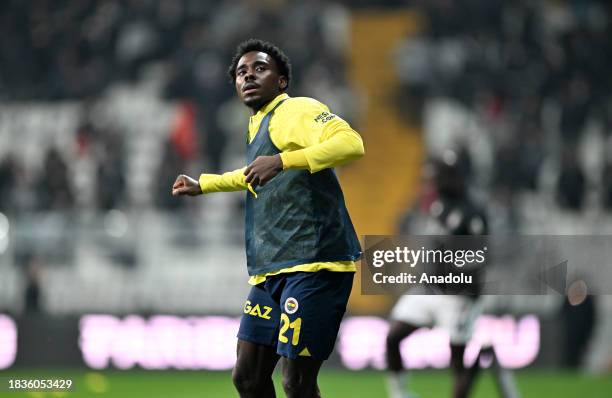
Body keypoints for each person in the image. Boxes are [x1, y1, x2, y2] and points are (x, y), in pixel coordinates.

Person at [171, 39, 364, 398]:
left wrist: (282, 161)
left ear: (281, 81)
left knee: (297, 383)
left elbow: (351, 144)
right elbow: (252, 174)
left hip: (314, 266)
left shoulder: (297, 111)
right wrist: (205, 184)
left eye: (260, 68)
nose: (248, 76)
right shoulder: (259, 124)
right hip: (272, 271)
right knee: (247, 378)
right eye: (241, 72)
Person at [386, 155, 487, 398]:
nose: (435, 181)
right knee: (393, 337)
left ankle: (471, 375)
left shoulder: (472, 213)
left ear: (456, 178)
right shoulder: (437, 206)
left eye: (441, 176)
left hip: (458, 295)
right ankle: (401, 394)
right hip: (429, 289)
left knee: (457, 359)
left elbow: (479, 258)